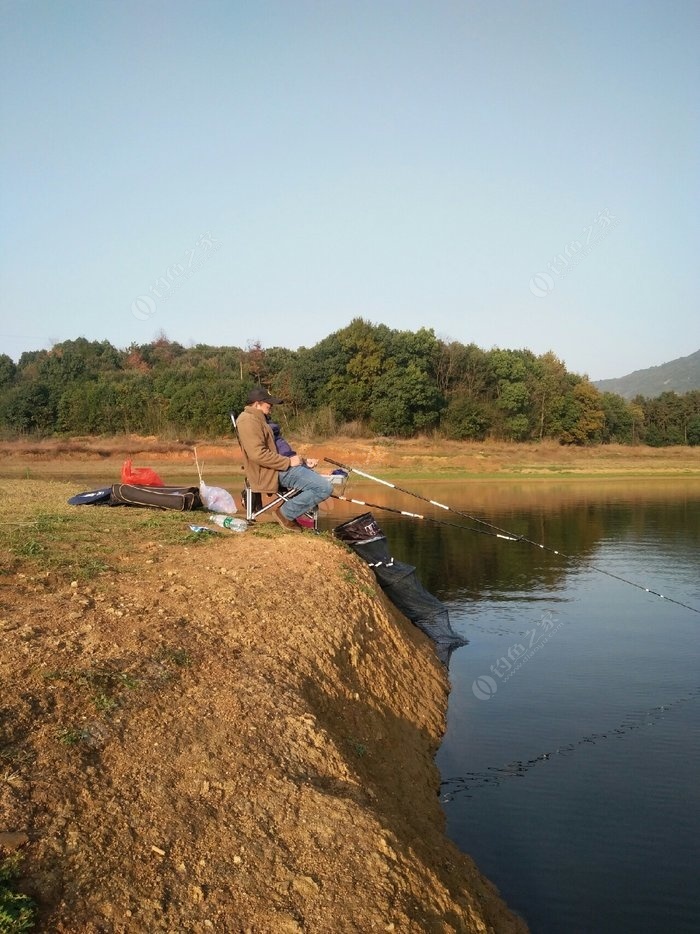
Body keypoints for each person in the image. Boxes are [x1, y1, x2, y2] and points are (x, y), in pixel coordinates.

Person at [236, 387, 333, 532]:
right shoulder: (247, 421)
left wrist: (302, 460)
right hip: (271, 471)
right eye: (268, 404)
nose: (271, 407)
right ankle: (286, 513)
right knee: (324, 488)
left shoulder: (261, 419)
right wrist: (288, 462)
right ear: (257, 404)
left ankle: (303, 519)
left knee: (321, 483)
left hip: (282, 466)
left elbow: (279, 448)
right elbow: (258, 454)